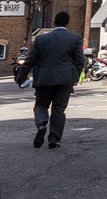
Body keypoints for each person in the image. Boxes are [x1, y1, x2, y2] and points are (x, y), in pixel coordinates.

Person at [21, 13, 84, 149]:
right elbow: (80, 61)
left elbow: (30, 61)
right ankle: (54, 138)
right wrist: (74, 77)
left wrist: (20, 77)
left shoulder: (41, 39)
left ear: (54, 22)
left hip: (44, 79)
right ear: (68, 22)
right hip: (65, 79)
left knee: (41, 105)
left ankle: (42, 124)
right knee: (59, 109)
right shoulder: (75, 38)